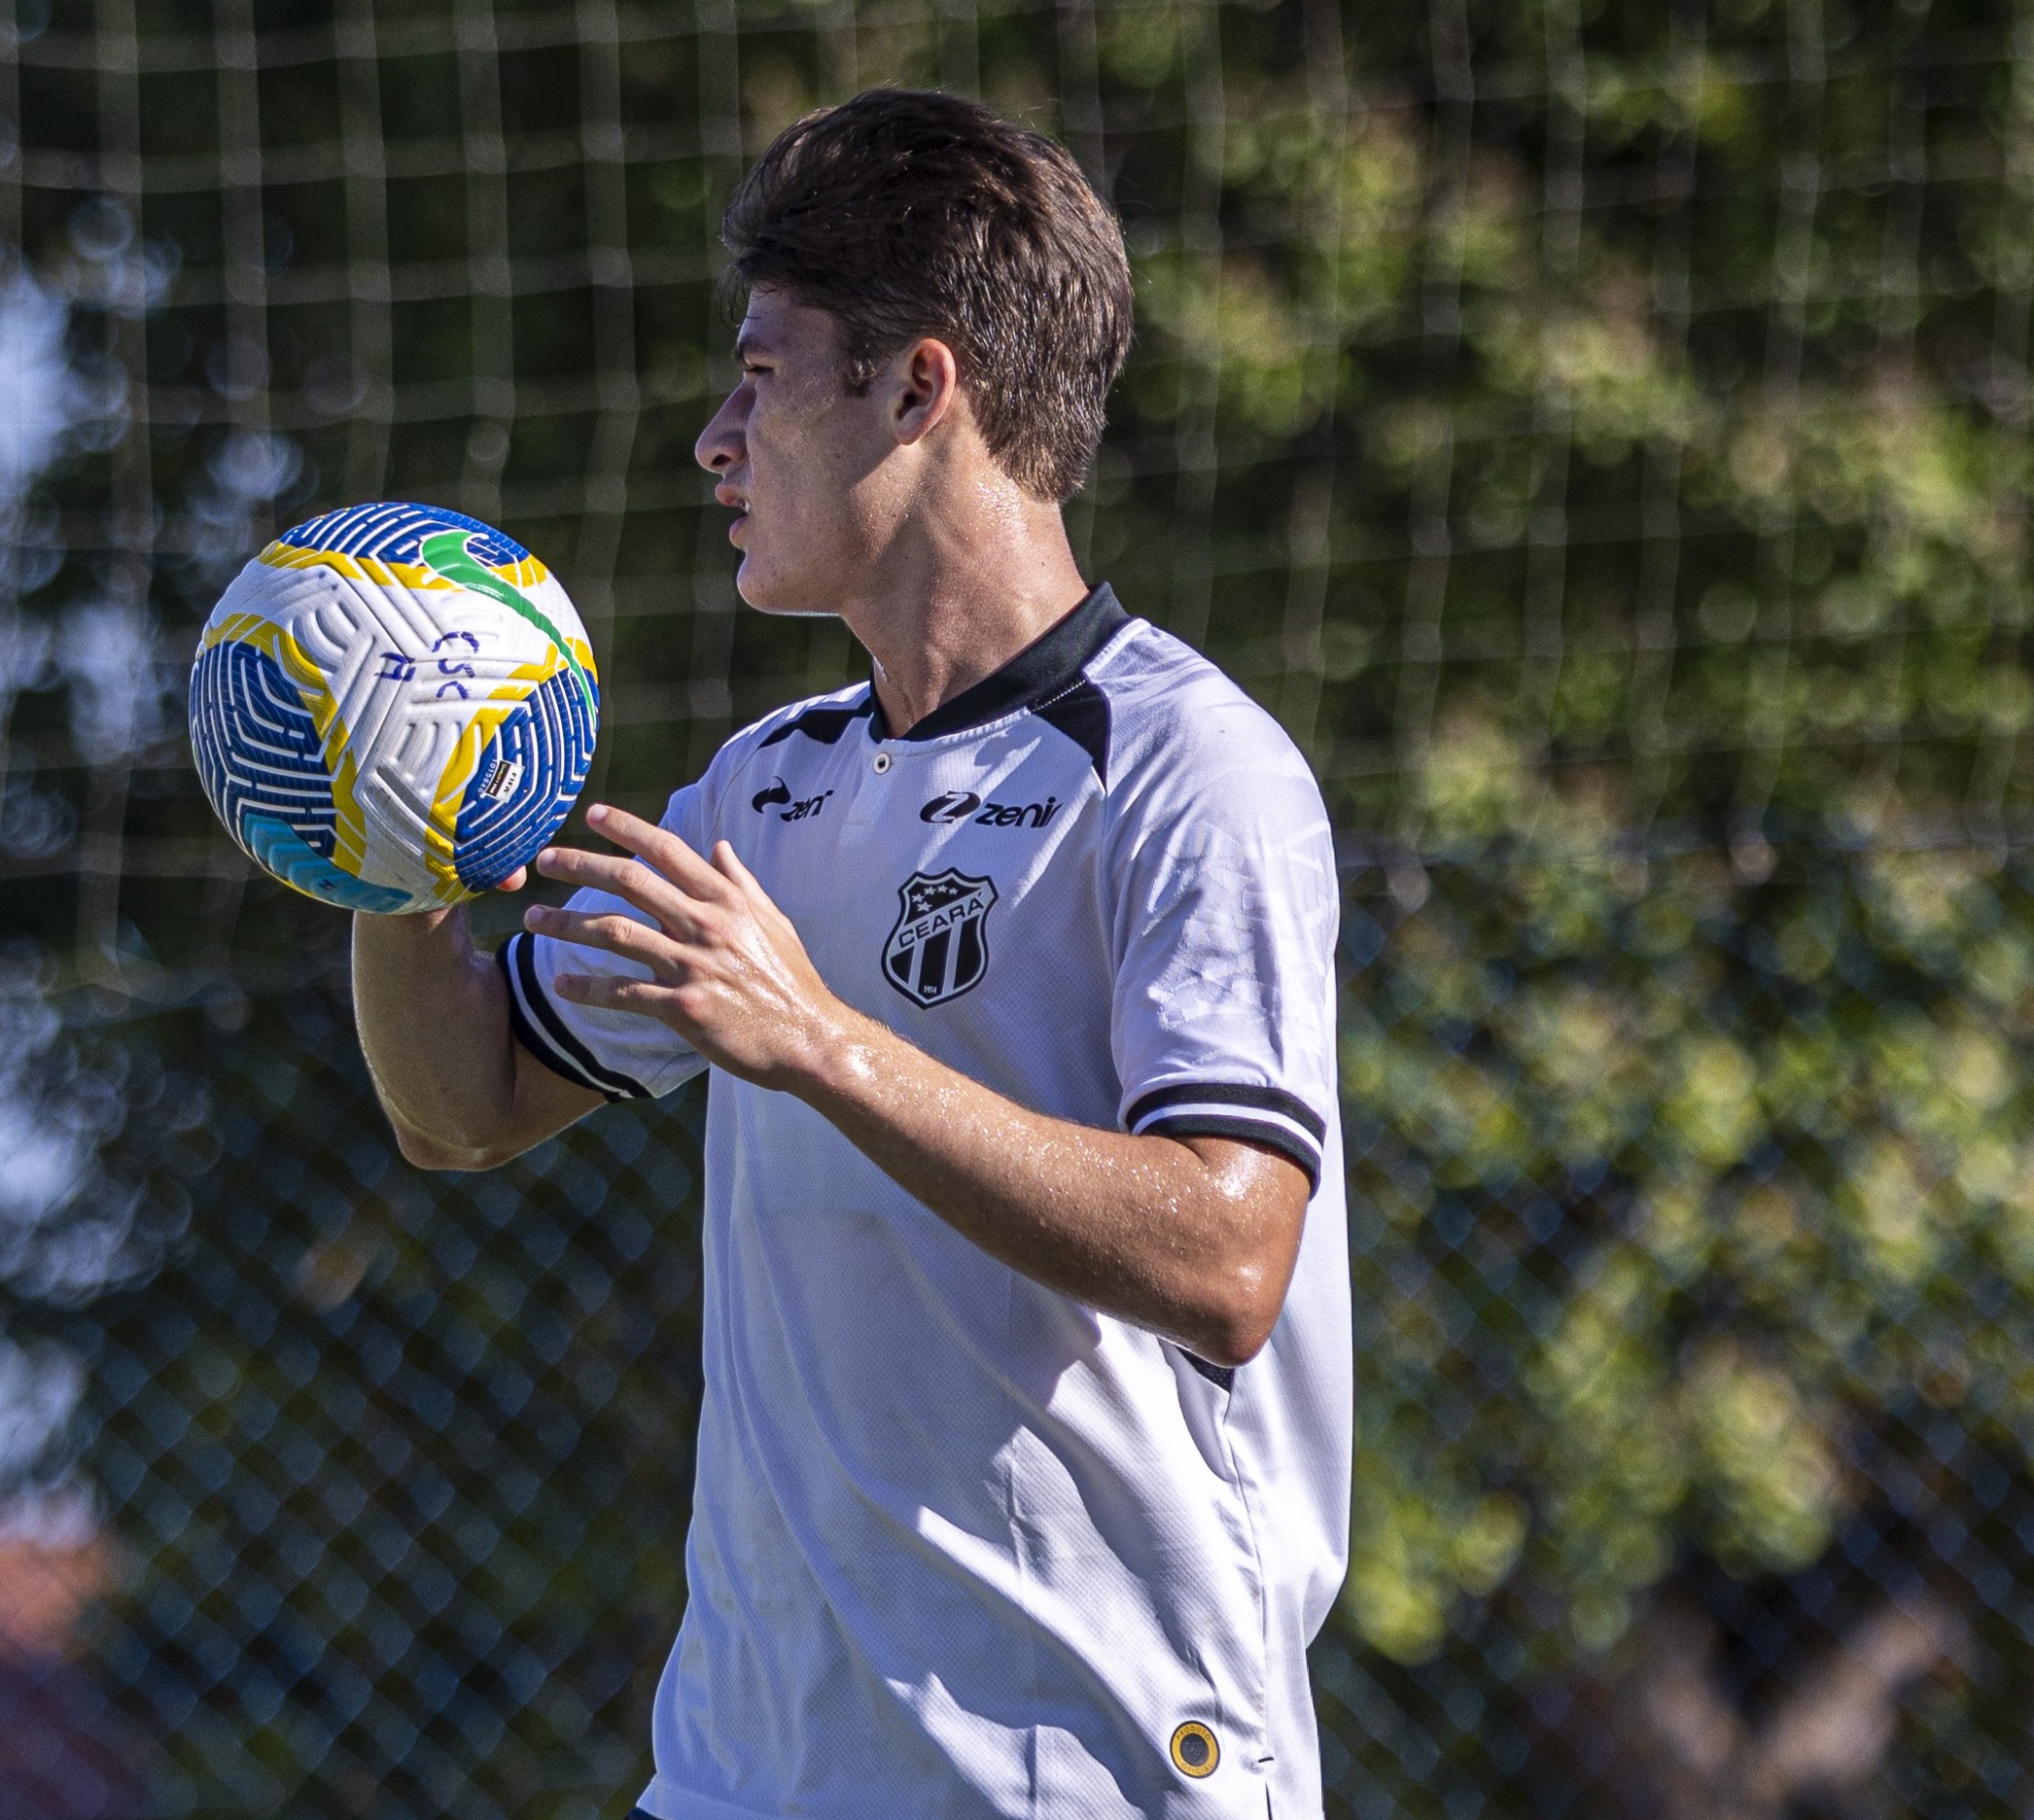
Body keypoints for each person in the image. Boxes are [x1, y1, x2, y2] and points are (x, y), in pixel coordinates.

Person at [352, 88, 1350, 1820]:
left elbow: (1229, 1257)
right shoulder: (769, 786)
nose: (714, 438)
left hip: (1093, 1770)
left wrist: (817, 1040)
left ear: (919, 385)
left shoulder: (1193, 770)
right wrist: (384, 843)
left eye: (761, 369)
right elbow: (462, 1108)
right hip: (753, 1772)